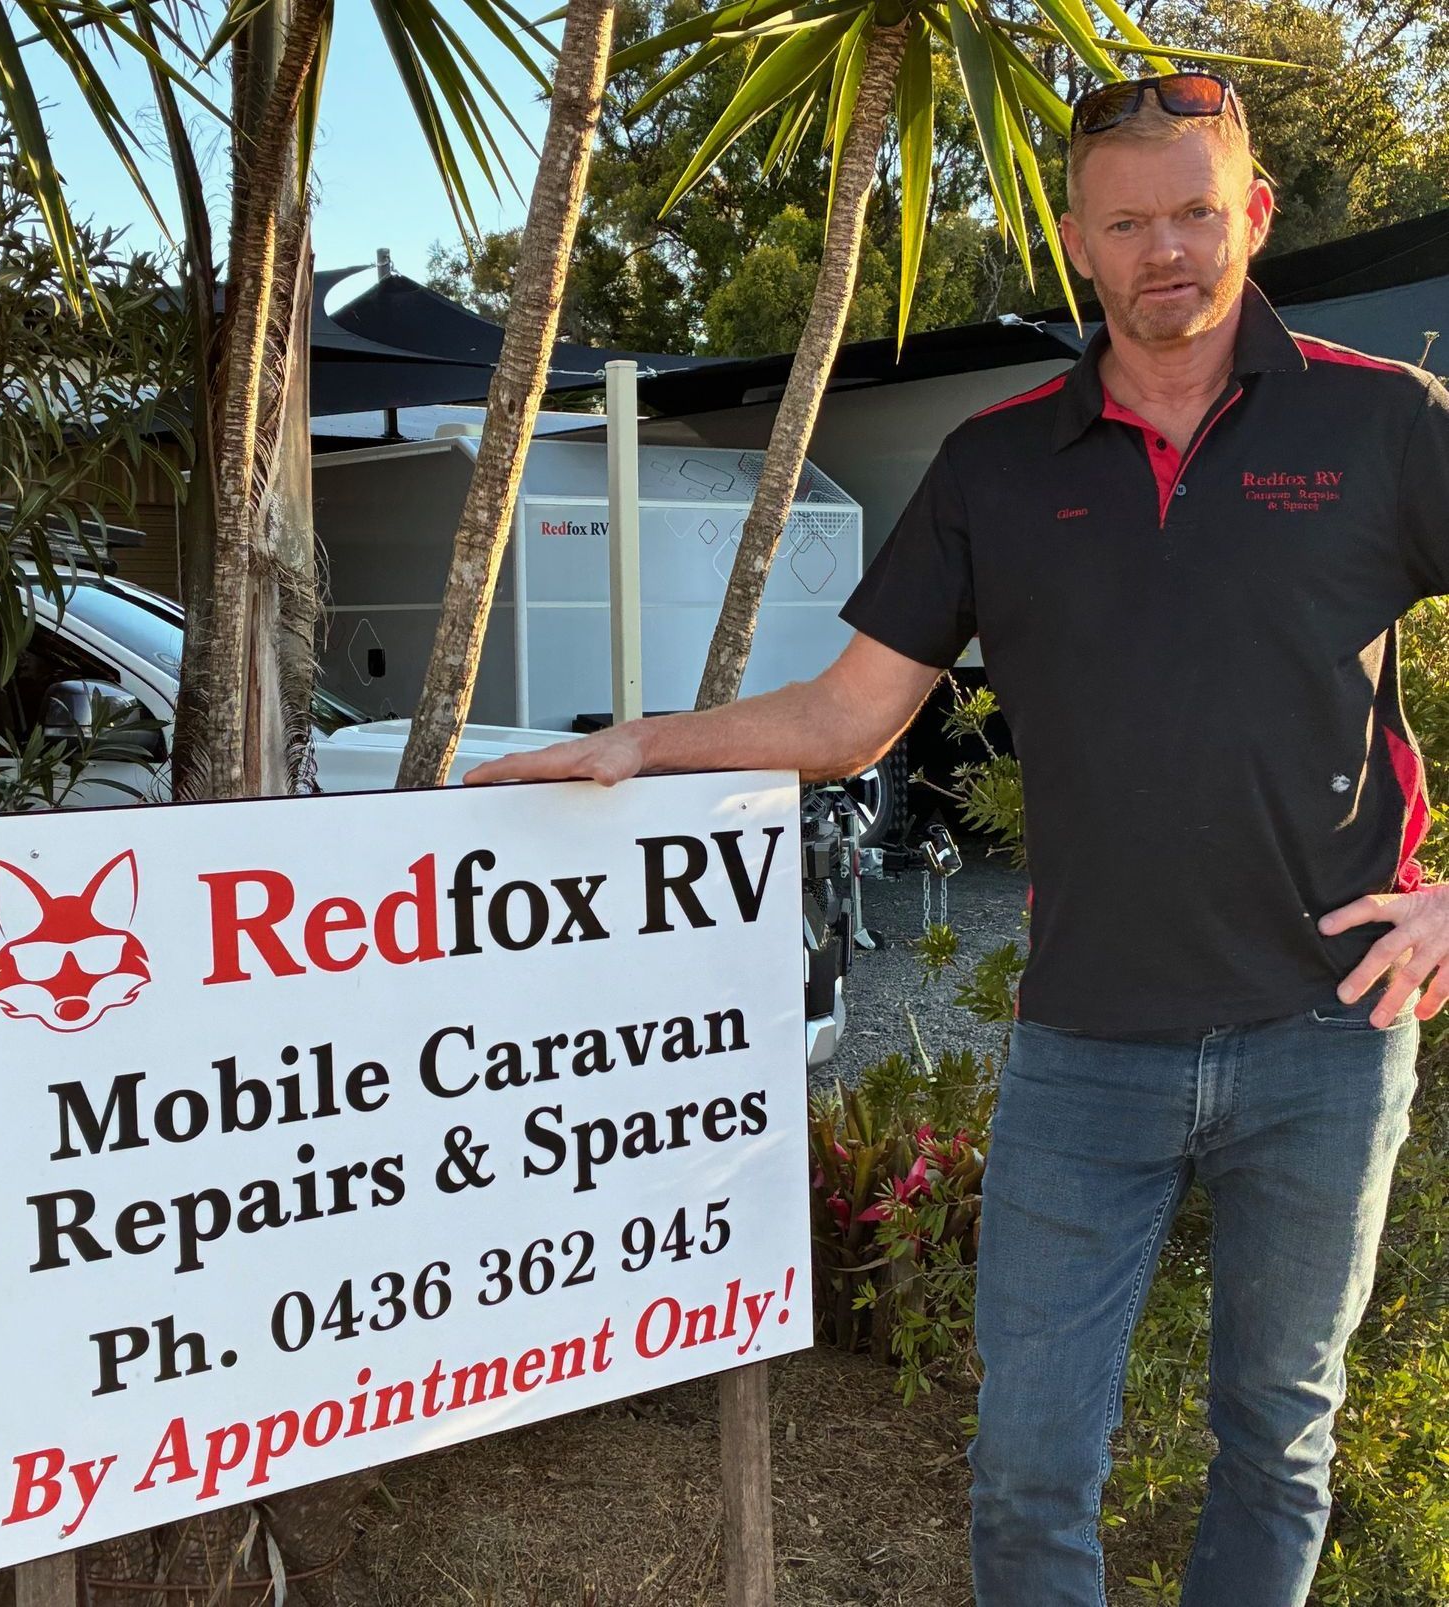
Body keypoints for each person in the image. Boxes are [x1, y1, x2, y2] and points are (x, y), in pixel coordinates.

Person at [462, 72, 1449, 1606]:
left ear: (1253, 211)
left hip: (1326, 1032)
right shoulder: (1001, 462)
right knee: (1030, 1469)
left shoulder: (1384, 421)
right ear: (1076, 238)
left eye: (1196, 209)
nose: (1165, 249)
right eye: (1127, 221)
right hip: (1086, 1046)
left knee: (1279, 1435)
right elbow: (851, 717)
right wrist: (641, 744)